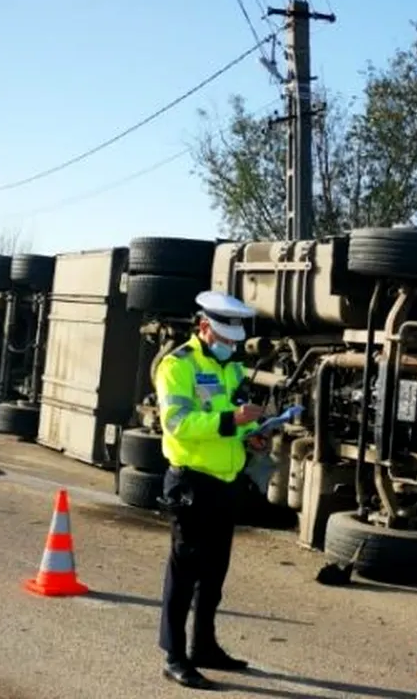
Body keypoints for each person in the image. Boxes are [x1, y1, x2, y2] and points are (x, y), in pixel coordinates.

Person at [155, 290, 268, 690]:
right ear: (204, 328)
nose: (230, 348)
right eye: (224, 340)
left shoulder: (232, 369)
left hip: (225, 482)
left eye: (235, 342)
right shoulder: (176, 366)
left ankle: (204, 646)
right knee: (183, 573)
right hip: (191, 482)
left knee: (213, 574)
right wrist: (229, 421)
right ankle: (174, 655)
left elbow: (239, 414)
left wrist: (254, 434)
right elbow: (178, 423)